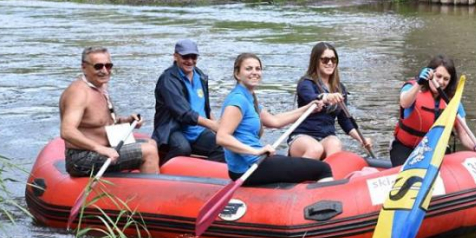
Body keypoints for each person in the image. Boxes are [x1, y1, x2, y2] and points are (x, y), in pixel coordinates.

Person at [215, 53, 334, 187]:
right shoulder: (237, 100)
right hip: (249, 167)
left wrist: (308, 108)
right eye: (249, 69)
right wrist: (256, 151)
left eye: (257, 69)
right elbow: (222, 137)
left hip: (255, 161)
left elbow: (275, 121)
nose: (255, 72)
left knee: (304, 167)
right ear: (237, 74)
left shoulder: (249, 98)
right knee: (323, 169)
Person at [60, 46, 159, 177]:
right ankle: (150, 195)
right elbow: (67, 131)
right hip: (81, 158)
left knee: (151, 143)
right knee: (149, 151)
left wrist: (127, 121)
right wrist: (100, 149)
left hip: (105, 147)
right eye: (98, 66)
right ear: (84, 67)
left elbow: (102, 122)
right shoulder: (79, 94)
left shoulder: (100, 86)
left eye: (108, 66)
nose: (105, 71)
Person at [389, 54, 476, 167]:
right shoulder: (412, 88)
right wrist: (419, 83)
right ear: (430, 74)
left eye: (446, 79)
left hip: (435, 152)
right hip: (405, 148)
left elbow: (464, 135)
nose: (441, 82)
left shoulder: (453, 102)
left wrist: (475, 147)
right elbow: (404, 102)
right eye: (438, 76)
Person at [289, 42, 373, 160]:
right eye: (325, 60)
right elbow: (312, 98)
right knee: (315, 148)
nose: (330, 63)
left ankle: (330, 176)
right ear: (316, 61)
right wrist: (327, 97)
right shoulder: (306, 83)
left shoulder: (340, 88)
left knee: (335, 143)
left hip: (326, 137)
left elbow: (345, 120)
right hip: (302, 137)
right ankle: (301, 176)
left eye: (333, 60)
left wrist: (361, 139)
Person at [152, 39, 225, 164]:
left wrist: (219, 127)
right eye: (185, 56)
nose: (190, 61)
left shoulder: (200, 76)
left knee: (222, 146)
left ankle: (204, 177)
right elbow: (184, 113)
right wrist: (212, 125)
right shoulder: (168, 80)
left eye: (193, 56)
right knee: (182, 148)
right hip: (173, 129)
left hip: (198, 131)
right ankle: (162, 171)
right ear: (175, 57)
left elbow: (205, 108)